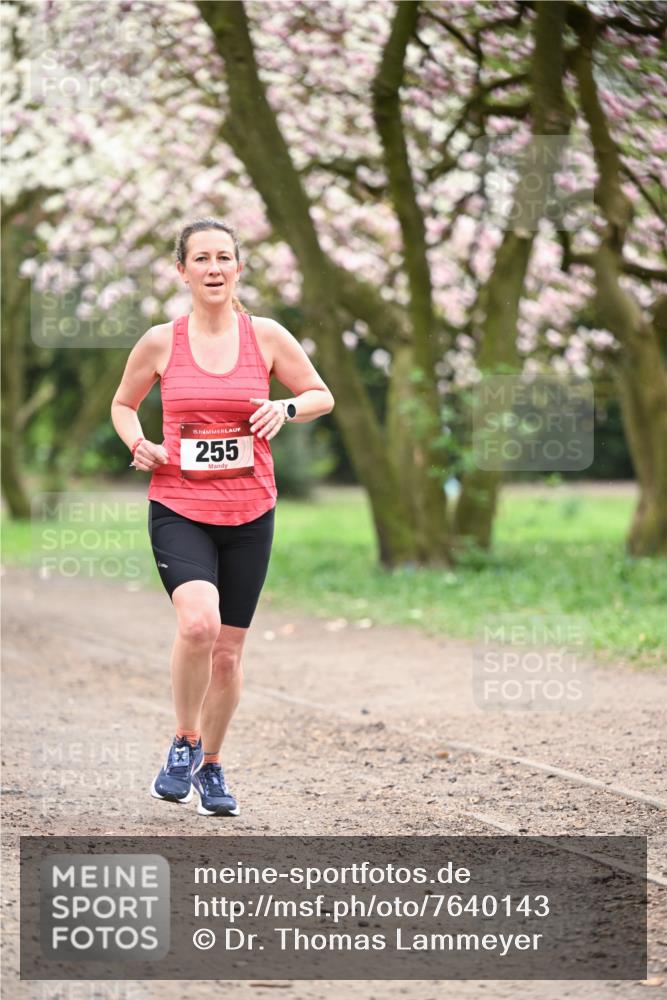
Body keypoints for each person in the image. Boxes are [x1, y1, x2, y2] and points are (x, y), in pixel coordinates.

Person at [110, 218, 334, 817]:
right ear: (181, 270)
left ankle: (211, 766)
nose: (214, 268)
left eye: (224, 258)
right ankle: (184, 741)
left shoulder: (266, 336)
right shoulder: (161, 341)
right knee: (198, 626)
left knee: (230, 654)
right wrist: (137, 443)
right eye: (201, 259)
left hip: (251, 509)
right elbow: (124, 403)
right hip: (179, 505)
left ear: (239, 268)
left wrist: (284, 408)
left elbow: (320, 394)